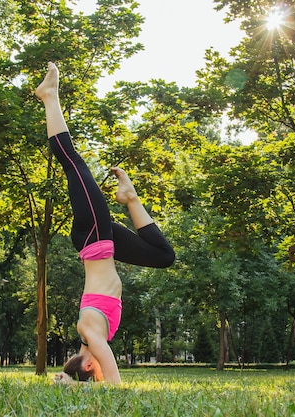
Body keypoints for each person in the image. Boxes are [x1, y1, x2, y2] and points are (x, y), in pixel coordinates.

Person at [35, 62, 175, 384]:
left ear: (88, 366)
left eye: (95, 375)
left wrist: (96, 390)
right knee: (164, 256)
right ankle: (131, 199)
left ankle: (49, 97)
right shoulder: (95, 336)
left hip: (93, 238)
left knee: (73, 163)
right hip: (105, 243)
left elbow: (113, 379)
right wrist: (70, 384)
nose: (100, 369)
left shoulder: (88, 331)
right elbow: (99, 367)